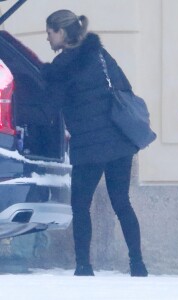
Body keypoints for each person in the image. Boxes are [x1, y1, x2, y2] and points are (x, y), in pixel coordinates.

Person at [41, 9, 148, 277]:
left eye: (50, 32)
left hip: (89, 146)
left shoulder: (62, 67)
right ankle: (138, 265)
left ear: (62, 33)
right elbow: (125, 87)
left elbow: (49, 110)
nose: (47, 38)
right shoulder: (101, 54)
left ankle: (84, 267)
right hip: (120, 141)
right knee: (122, 202)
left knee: (80, 205)